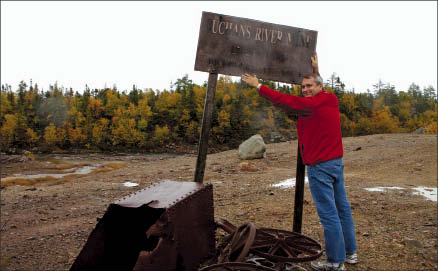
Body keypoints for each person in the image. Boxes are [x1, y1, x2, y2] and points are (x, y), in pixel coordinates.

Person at [241, 53, 358, 271]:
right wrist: (317, 68)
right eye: (303, 87)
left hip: (320, 167)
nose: (305, 90)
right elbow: (312, 91)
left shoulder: (309, 105)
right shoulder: (331, 99)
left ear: (319, 86)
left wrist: (258, 86)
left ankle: (335, 262)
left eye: (309, 86)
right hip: (335, 164)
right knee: (343, 210)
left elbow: (283, 100)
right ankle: (350, 254)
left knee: (330, 215)